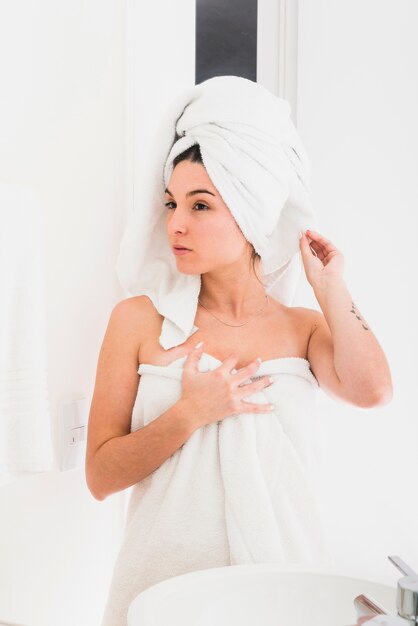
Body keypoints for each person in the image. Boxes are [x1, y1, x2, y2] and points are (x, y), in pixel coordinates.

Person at [86, 78, 393, 625]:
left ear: (252, 214)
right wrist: (190, 413)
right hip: (162, 596)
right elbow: (100, 476)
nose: (176, 222)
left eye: (200, 205)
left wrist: (331, 287)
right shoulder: (137, 321)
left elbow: (373, 392)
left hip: (281, 597)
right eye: (171, 202)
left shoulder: (303, 328)